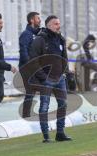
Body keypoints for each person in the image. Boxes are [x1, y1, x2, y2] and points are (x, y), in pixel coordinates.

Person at [29, 15, 72, 143]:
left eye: (59, 23)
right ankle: (46, 135)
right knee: (44, 107)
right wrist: (43, 77)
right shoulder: (40, 40)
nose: (59, 25)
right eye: (56, 24)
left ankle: (60, 133)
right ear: (48, 25)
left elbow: (64, 58)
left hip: (60, 79)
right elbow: (33, 60)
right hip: (46, 79)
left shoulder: (61, 39)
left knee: (63, 104)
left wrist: (66, 73)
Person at [19, 12, 41, 118]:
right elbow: (23, 51)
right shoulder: (26, 34)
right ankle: (26, 115)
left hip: (35, 66)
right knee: (31, 90)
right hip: (27, 67)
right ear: (32, 20)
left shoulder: (37, 34)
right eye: (38, 18)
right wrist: (30, 64)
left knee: (32, 91)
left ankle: (26, 115)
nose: (40, 20)